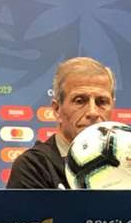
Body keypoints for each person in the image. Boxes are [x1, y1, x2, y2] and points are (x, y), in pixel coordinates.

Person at [7, 57, 115, 189]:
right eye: (80, 101)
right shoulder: (34, 166)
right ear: (57, 109)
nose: (93, 112)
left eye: (102, 102)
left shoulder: (129, 160)